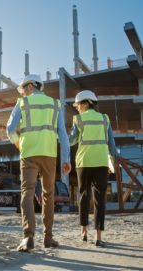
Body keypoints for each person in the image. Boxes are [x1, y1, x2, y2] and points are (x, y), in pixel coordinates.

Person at [6, 74, 71, 252]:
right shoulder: (55, 104)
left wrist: (18, 143)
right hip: (49, 154)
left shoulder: (22, 103)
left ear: (28, 87)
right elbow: (63, 135)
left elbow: (9, 129)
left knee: (27, 192)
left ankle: (28, 237)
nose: (24, 93)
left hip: (28, 153)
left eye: (23, 90)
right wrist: (66, 159)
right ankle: (48, 238)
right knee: (48, 195)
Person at [69, 90, 117, 247]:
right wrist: (114, 158)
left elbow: (71, 140)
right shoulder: (105, 119)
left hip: (83, 162)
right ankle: (98, 236)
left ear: (85, 103)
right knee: (99, 199)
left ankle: (84, 232)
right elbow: (111, 143)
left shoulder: (78, 120)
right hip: (101, 162)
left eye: (78, 105)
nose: (77, 108)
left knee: (83, 195)